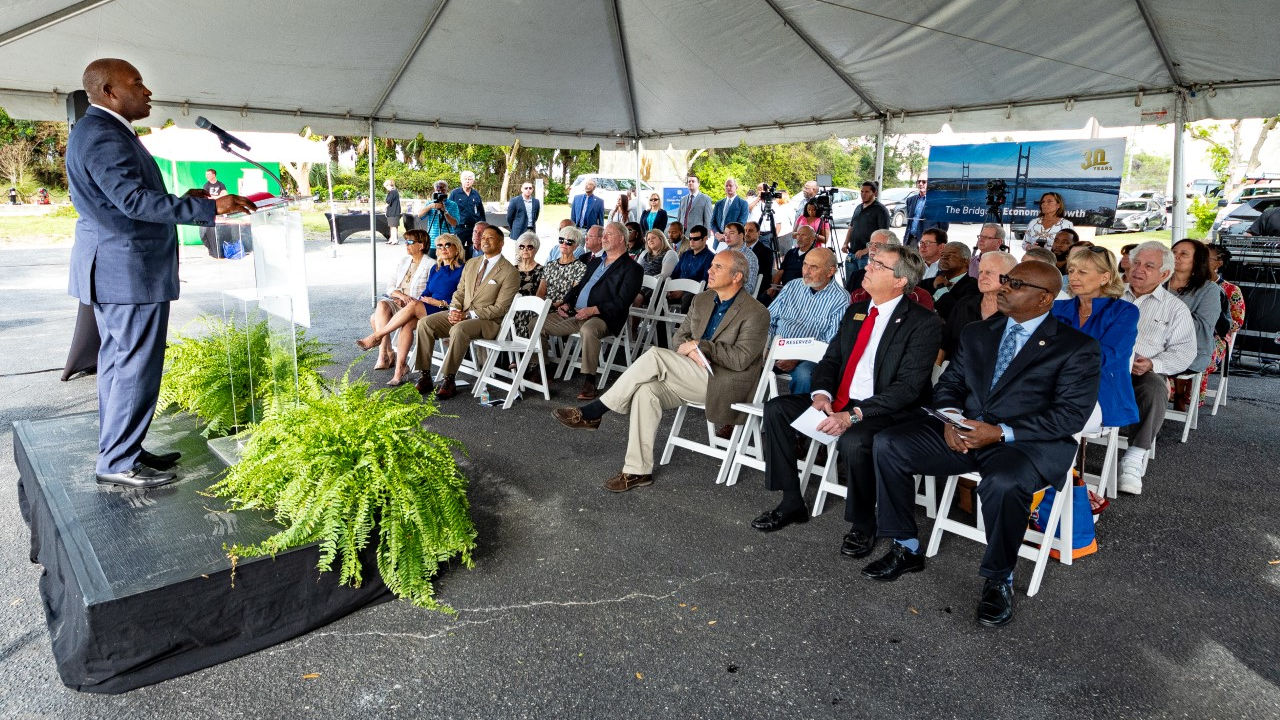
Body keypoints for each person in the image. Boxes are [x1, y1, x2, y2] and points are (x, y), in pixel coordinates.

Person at [863, 261, 1101, 628]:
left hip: (1024, 443)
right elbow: (951, 383)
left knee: (1004, 483)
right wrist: (949, 418)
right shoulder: (979, 332)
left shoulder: (1076, 347)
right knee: (888, 443)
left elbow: (1069, 416)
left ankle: (999, 578)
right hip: (964, 432)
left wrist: (1001, 432)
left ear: (1045, 299)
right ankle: (905, 546)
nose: (1004, 288)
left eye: (1016, 284)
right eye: (1007, 280)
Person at [67, 58, 255, 488]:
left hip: (118, 268)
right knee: (135, 367)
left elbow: (121, 199)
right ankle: (117, 462)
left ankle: (122, 449)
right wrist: (210, 206)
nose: (147, 91)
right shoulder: (103, 134)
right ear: (109, 91)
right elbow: (132, 202)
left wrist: (185, 198)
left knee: (118, 366)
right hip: (127, 271)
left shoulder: (100, 130)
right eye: (137, 83)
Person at [754, 245, 941, 553]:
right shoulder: (857, 310)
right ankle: (791, 501)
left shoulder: (922, 322)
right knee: (776, 410)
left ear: (900, 281)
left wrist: (853, 415)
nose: (867, 266)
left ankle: (863, 522)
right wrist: (821, 394)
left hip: (885, 410)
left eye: (878, 265)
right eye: (871, 261)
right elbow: (831, 359)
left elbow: (907, 388)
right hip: (841, 400)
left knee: (855, 439)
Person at [551, 250, 770, 492]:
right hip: (689, 373)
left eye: (718, 267)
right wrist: (691, 350)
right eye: (712, 265)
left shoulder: (756, 312)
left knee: (655, 355)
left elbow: (740, 359)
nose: (710, 270)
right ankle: (637, 471)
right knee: (646, 392)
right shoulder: (702, 300)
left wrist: (700, 346)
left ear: (737, 276)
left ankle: (595, 411)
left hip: (724, 382)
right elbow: (679, 338)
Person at [1118, 241, 1197, 495]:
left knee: (1155, 387)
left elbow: (1184, 352)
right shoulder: (1111, 294)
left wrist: (1153, 364)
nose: (1138, 269)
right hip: (1102, 366)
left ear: (1164, 274)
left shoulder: (1175, 308)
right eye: (1136, 263)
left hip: (1139, 372)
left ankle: (1134, 457)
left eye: (1149, 266)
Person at [413, 225, 520, 400]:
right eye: (483, 237)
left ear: (501, 243)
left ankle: (449, 379)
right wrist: (454, 309)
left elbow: (500, 308)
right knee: (425, 323)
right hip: (463, 314)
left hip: (489, 322)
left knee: (459, 329)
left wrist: (467, 315)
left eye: (490, 238)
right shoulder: (472, 263)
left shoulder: (510, 272)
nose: (485, 240)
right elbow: (459, 292)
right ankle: (425, 376)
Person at [541, 222, 644, 401]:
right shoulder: (595, 262)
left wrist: (593, 310)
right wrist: (566, 303)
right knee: (537, 323)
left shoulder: (632, 268)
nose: (604, 238)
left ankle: (590, 380)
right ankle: (542, 368)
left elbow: (622, 302)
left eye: (608, 234)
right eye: (603, 235)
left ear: (621, 238)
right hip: (576, 313)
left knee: (588, 330)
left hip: (604, 317)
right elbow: (579, 287)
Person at [1050, 246, 1140, 428]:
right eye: (1071, 271)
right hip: (1052, 386)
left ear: (1104, 278)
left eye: (1082, 272)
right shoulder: (1057, 308)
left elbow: (1106, 354)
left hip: (1102, 392)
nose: (1073, 277)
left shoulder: (1125, 312)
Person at [358, 233, 465, 386]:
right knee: (407, 324)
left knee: (413, 305)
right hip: (427, 307)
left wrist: (439, 302)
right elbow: (427, 292)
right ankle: (400, 368)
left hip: (445, 309)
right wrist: (420, 300)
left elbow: (463, 297)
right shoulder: (436, 268)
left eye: (447, 245)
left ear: (457, 247)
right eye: (440, 246)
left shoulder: (463, 269)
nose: (443, 248)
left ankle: (377, 336)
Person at [765, 247, 854, 395]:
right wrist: (767, 347)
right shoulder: (792, 286)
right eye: (805, 264)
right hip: (775, 348)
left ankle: (797, 409)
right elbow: (768, 318)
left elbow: (830, 342)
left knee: (805, 375)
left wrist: (798, 357)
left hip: (808, 356)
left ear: (830, 271)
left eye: (814, 267)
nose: (806, 271)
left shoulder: (841, 299)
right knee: (744, 357)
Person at [360, 227, 434, 369]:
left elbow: (430, 292)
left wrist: (409, 300)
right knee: (382, 304)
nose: (406, 244)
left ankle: (387, 354)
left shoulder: (431, 265)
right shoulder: (404, 261)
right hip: (399, 301)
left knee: (375, 318)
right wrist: (400, 296)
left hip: (415, 306)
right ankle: (384, 353)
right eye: (405, 241)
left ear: (421, 245)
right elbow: (390, 286)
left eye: (410, 242)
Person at [940, 251, 1016, 363]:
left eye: (989, 272)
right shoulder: (964, 304)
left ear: (1008, 277)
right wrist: (937, 369)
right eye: (980, 272)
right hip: (953, 370)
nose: (981, 277)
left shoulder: (1015, 313)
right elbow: (944, 344)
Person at [1166, 239, 1224, 376]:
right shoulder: (1158, 282)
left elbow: (1203, 329)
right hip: (1152, 345)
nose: (1176, 256)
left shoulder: (1209, 289)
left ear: (1197, 261)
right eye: (1173, 252)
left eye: (1183, 254)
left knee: (1144, 369)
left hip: (1190, 352)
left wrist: (1165, 313)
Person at [1201, 244, 1246, 404]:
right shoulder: (1186, 284)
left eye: (1205, 258)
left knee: (1202, 355)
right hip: (1188, 333)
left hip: (1216, 338)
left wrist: (1215, 319)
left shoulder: (1231, 290)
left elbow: (1236, 323)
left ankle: (1189, 400)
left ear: (1218, 263)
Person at [841, 181, 890, 274]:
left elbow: (884, 236)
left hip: (867, 256)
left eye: (867, 192)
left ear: (875, 193)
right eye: (862, 191)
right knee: (850, 282)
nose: (863, 194)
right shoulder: (858, 207)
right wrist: (845, 243)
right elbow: (851, 227)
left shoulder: (881, 210)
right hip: (852, 253)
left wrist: (866, 250)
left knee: (864, 282)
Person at [924, 241, 978, 321]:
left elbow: (958, 314)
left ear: (965, 262)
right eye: (942, 255)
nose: (944, 257)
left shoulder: (974, 287)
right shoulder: (929, 283)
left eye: (950, 255)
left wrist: (941, 288)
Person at [536, 226, 588, 309]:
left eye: (569, 242)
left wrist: (553, 306)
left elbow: (572, 294)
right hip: (543, 306)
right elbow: (540, 292)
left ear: (576, 246)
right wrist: (542, 306)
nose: (564, 244)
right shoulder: (550, 265)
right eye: (561, 240)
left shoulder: (580, 268)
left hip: (563, 308)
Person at [666, 225, 714, 311]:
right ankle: (659, 321)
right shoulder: (685, 254)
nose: (691, 241)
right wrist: (670, 288)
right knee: (657, 293)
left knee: (688, 298)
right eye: (690, 238)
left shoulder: (710, 257)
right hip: (677, 288)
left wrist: (683, 291)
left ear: (705, 238)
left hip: (693, 292)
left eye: (696, 239)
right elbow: (674, 274)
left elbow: (705, 281)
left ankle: (685, 321)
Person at [511, 232, 545, 339]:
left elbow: (541, 294)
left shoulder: (542, 270)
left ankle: (523, 346)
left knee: (523, 314)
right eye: (521, 247)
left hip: (532, 307)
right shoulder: (512, 269)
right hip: (512, 304)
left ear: (536, 249)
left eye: (529, 247)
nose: (525, 250)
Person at [416, 179, 460, 257]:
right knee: (431, 263)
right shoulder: (430, 203)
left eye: (443, 189)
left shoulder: (453, 205)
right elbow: (419, 215)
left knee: (447, 262)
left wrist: (445, 211)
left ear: (447, 190)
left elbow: (454, 223)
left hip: (448, 242)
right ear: (434, 190)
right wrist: (431, 206)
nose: (440, 192)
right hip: (432, 242)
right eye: (438, 190)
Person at [634, 229, 678, 306]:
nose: (650, 240)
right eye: (648, 239)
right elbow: (636, 271)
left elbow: (665, 275)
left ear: (661, 239)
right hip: (640, 284)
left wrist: (646, 281)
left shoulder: (670, 253)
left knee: (637, 298)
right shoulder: (644, 253)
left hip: (657, 286)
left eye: (653, 237)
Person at [902, 178, 949, 248]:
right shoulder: (910, 200)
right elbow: (910, 222)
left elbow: (943, 227)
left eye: (924, 182)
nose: (920, 184)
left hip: (928, 243)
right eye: (919, 182)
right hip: (912, 241)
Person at [771, 224, 817, 295]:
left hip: (801, 292)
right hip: (784, 289)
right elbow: (780, 272)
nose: (799, 238)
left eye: (803, 235)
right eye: (798, 234)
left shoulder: (815, 256)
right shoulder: (791, 252)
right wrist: (773, 287)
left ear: (813, 238)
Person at [448, 170, 485, 253]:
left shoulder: (476, 194)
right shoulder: (455, 193)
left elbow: (481, 211)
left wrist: (483, 226)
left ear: (473, 181)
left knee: (475, 251)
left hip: (474, 229)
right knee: (457, 251)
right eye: (465, 179)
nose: (467, 181)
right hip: (460, 228)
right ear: (461, 180)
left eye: (470, 179)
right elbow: (449, 211)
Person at [722, 222, 760, 296]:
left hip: (735, 296)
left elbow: (750, 287)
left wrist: (727, 289)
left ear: (741, 235)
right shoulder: (722, 254)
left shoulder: (750, 257)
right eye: (725, 234)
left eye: (731, 233)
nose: (727, 237)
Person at [744, 221, 776, 304]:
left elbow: (765, 277)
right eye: (745, 230)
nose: (747, 233)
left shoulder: (766, 251)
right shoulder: (739, 249)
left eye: (750, 230)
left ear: (758, 233)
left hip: (755, 289)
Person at [711, 177, 749, 244]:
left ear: (736, 187)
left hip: (733, 241)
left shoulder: (743, 203)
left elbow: (741, 223)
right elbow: (712, 222)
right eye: (726, 186)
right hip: (718, 240)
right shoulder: (718, 203)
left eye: (730, 185)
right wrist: (717, 234)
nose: (728, 187)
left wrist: (727, 235)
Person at [383, 178, 402, 245]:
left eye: (386, 187)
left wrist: (384, 207)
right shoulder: (395, 191)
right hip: (393, 211)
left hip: (393, 212)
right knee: (392, 226)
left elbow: (388, 201)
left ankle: (395, 239)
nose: (386, 188)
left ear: (388, 185)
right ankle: (392, 238)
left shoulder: (392, 192)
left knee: (393, 227)